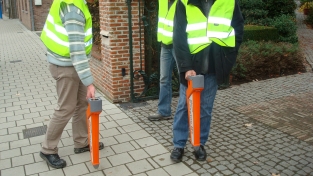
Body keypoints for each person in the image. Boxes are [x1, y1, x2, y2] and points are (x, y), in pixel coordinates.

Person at [170, 0, 244, 162]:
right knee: (184, 106)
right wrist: (185, 66)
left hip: (215, 65)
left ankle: (199, 143)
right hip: (192, 67)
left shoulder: (229, 2)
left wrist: (229, 56)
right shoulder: (184, 3)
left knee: (205, 108)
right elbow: (179, 36)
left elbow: (238, 27)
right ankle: (179, 144)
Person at [39, 0, 103, 169]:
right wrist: (90, 83)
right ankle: (47, 149)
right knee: (65, 107)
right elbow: (76, 51)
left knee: (81, 104)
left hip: (72, 65)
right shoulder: (72, 8)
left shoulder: (78, 3)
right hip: (65, 67)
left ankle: (81, 142)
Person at [148, 0, 178, 121]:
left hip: (179, 46)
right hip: (165, 45)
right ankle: (164, 111)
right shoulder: (163, 1)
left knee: (185, 80)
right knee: (164, 79)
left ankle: (189, 111)